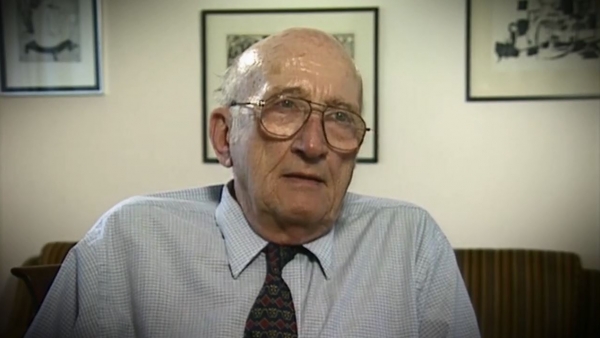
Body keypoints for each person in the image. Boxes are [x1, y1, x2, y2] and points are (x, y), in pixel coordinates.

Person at [25, 28, 480, 338]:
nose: (313, 145)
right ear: (225, 136)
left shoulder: (411, 243)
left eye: (340, 118)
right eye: (284, 107)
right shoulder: (126, 242)